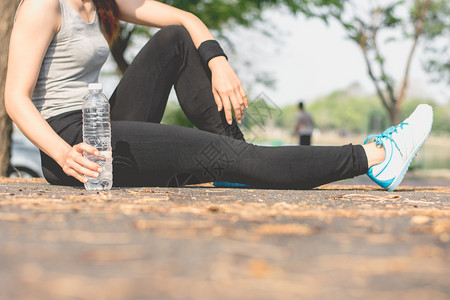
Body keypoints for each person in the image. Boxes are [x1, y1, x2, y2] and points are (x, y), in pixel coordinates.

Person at [5, 0, 433, 191]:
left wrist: (217, 61)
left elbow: (184, 20)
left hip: (100, 122)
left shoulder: (100, 2)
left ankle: (239, 160)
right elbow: (15, 98)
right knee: (231, 155)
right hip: (73, 145)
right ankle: (378, 156)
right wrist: (64, 155)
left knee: (175, 38)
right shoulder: (43, 4)